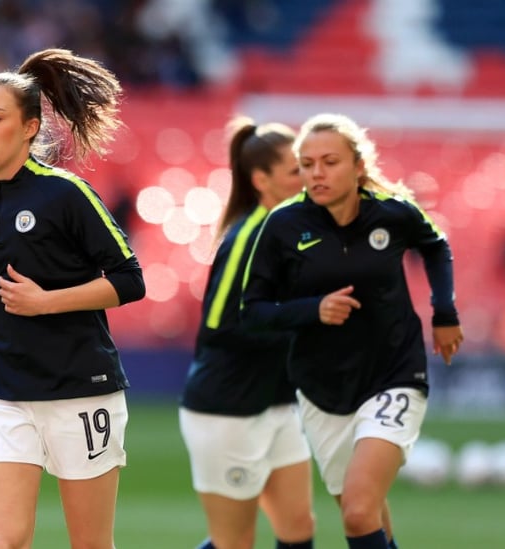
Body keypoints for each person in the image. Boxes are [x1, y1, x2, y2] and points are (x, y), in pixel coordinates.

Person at [0, 48, 145, 549]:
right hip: (0, 390)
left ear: (30, 127)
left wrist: (46, 302)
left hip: (80, 386)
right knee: (2, 542)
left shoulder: (66, 194)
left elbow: (129, 279)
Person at [241, 113, 463, 549]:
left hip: (393, 375)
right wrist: (313, 310)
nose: (316, 173)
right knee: (365, 514)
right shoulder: (283, 226)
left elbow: (436, 248)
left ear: (358, 166)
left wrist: (445, 312)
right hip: (322, 389)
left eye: (329, 161)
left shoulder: (394, 214)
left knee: (359, 513)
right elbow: (254, 312)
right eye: (306, 164)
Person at [179, 117, 315, 549]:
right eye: (296, 170)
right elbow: (220, 326)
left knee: (299, 528)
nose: (307, 179)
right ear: (261, 180)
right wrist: (304, 323)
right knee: (234, 542)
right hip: (228, 408)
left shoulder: (297, 234)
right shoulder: (247, 237)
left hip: (276, 403)